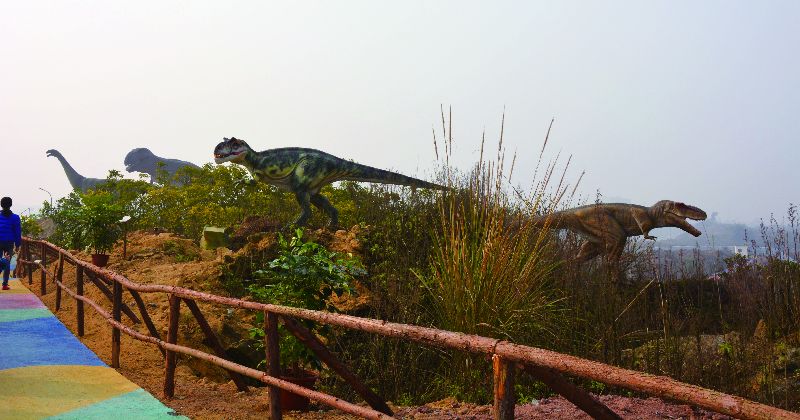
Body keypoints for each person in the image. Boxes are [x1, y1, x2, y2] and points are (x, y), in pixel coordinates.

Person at [0, 197, 22, 290]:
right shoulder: (15, 218)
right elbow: (18, 232)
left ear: (1, 205)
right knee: (7, 263)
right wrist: (17, 245)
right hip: (9, 242)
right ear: (11, 205)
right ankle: (5, 284)